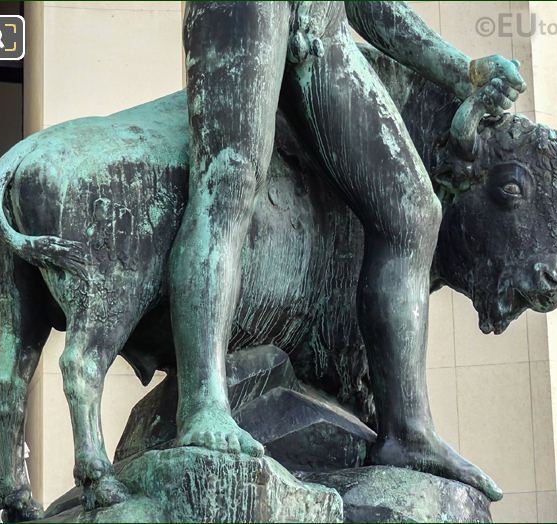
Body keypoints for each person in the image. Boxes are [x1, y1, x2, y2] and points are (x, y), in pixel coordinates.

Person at [169, 1, 525, 501]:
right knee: (228, 182)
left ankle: (406, 430)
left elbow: (370, 6)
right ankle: (204, 403)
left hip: (323, 23)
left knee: (413, 211)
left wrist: (462, 70)